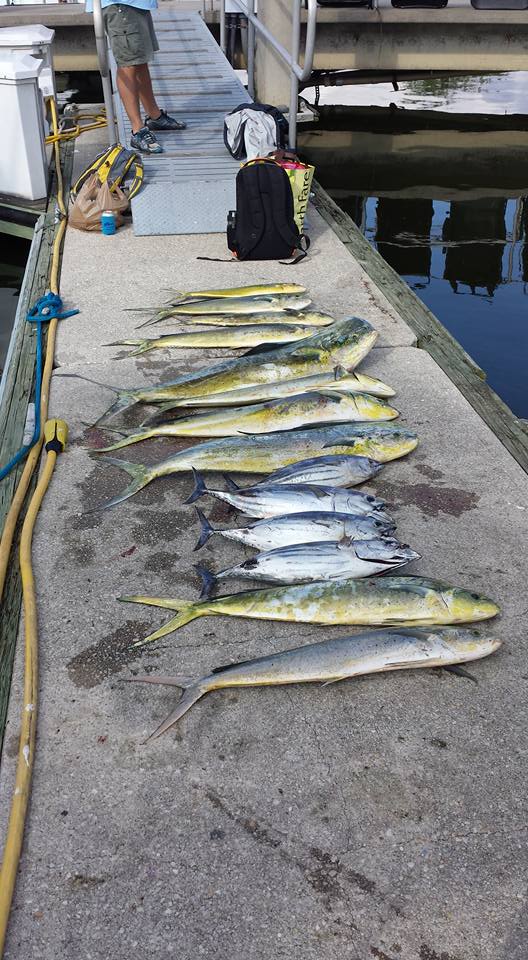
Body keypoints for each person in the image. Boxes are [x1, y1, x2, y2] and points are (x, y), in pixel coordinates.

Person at [86, 0, 186, 154]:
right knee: (128, 65)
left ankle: (155, 116)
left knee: (139, 61)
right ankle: (137, 130)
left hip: (136, 5)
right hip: (121, 6)